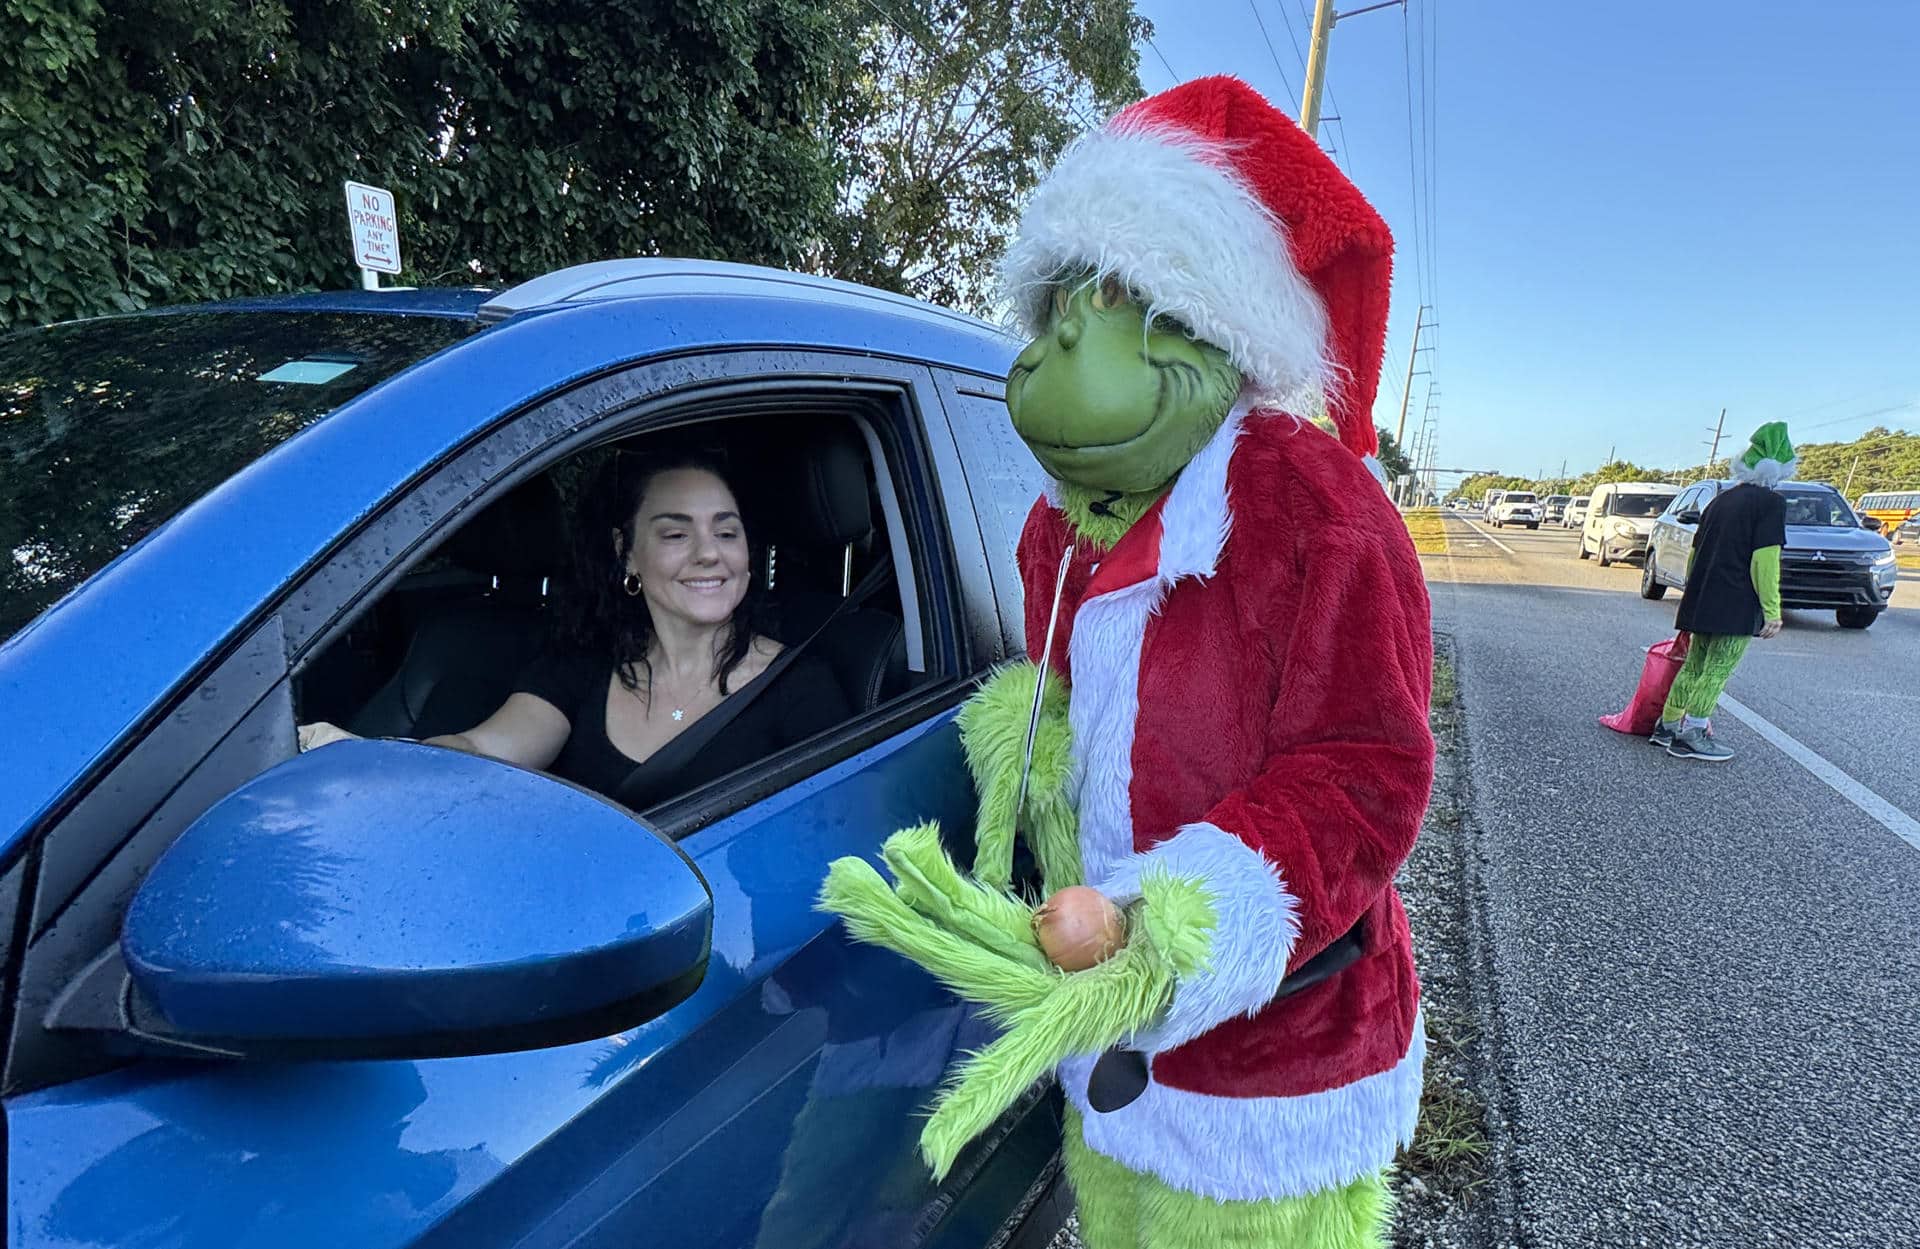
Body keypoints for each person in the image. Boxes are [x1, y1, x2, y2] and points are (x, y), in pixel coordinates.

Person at [821, 77, 1429, 1249]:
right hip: (1105, 1054)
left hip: (1272, 1078)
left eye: (1082, 313)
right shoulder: (1067, 518)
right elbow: (1060, 692)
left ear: (1193, 323)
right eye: (1044, 316)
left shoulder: (1317, 512)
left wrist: (1162, 921)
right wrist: (1029, 750)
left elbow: (1366, 773)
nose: (1045, 355)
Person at [299, 450, 851, 807]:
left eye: (727, 533)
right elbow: (482, 747)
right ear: (626, 554)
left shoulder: (801, 690)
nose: (710, 554)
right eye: (675, 535)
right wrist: (375, 760)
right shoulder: (586, 664)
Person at [1655, 422, 1796, 762]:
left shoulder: (1720, 501)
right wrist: (1772, 609)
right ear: (1778, 470)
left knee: (1695, 664)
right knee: (1719, 668)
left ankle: (1668, 725)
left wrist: (1693, 590)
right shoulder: (1770, 504)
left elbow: (1694, 551)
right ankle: (1694, 732)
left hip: (1703, 596)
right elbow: (1765, 560)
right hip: (1736, 601)